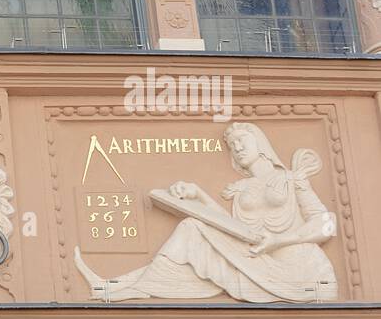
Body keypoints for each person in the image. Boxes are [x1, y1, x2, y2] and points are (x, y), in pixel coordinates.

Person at [74, 122, 337, 302]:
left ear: (260, 142)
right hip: (257, 262)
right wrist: (197, 193)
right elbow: (232, 230)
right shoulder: (242, 188)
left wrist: (278, 241)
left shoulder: (292, 179)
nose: (238, 148)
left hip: (299, 272)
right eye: (233, 146)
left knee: (192, 229)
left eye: (242, 141)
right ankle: (115, 286)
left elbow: (325, 224)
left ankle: (120, 287)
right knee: (192, 227)